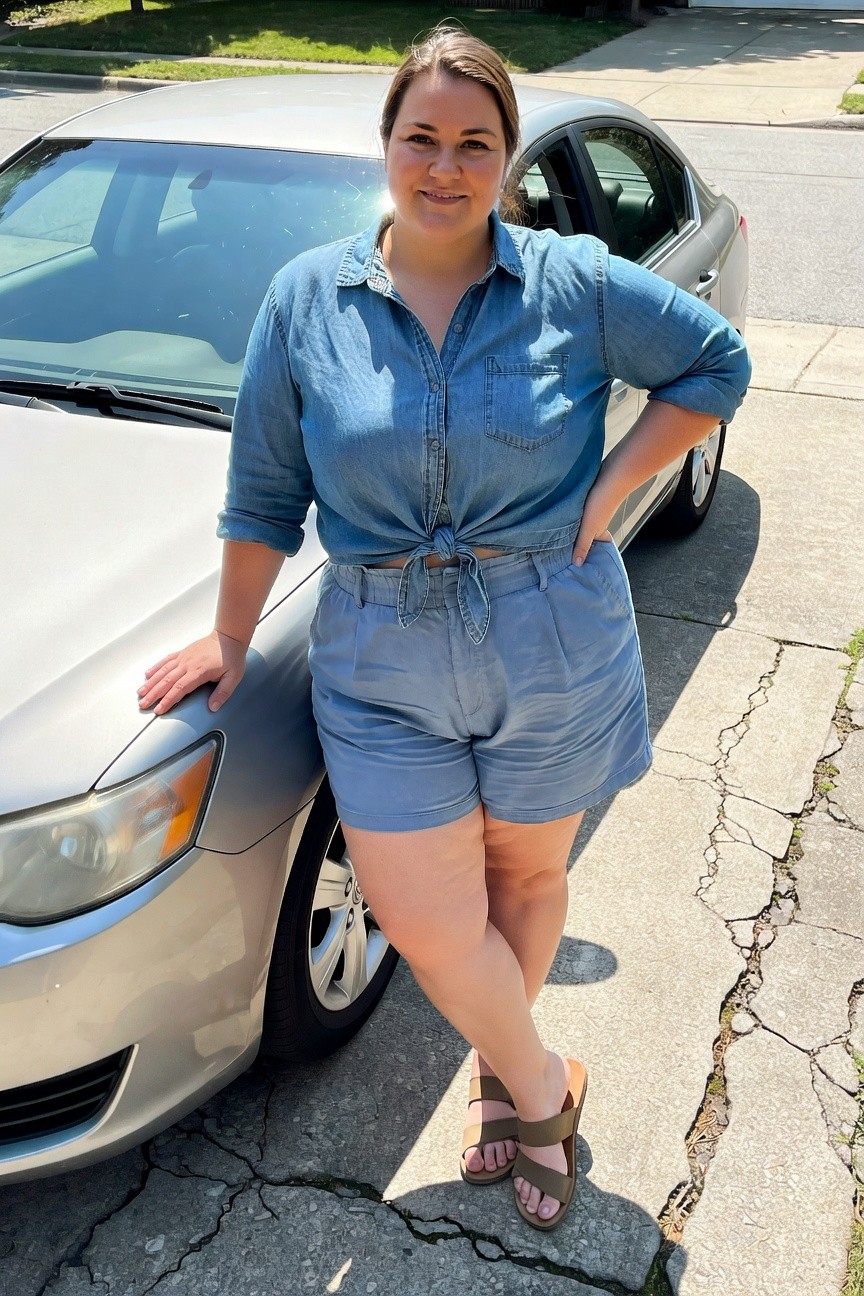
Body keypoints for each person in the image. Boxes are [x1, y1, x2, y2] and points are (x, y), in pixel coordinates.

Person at [138, 27, 751, 1230]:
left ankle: (493, 1083)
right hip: (380, 648)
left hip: (553, 634)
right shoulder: (307, 299)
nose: (444, 164)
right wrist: (228, 632)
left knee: (525, 875)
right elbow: (263, 491)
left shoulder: (568, 282)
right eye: (421, 136)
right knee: (420, 912)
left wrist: (616, 481)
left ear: (507, 158)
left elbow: (713, 363)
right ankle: (543, 1081)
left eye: (475, 142)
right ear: (387, 146)